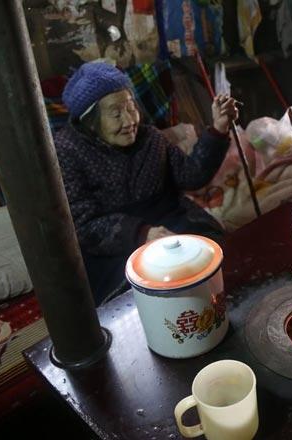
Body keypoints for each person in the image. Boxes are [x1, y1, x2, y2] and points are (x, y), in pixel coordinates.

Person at [54, 61, 238, 304]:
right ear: (90, 120)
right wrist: (142, 233)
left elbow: (191, 176)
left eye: (131, 107)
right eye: (116, 113)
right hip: (114, 245)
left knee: (214, 260)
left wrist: (218, 129)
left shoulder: (150, 138)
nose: (129, 120)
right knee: (142, 293)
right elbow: (83, 223)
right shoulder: (67, 151)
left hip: (168, 221)